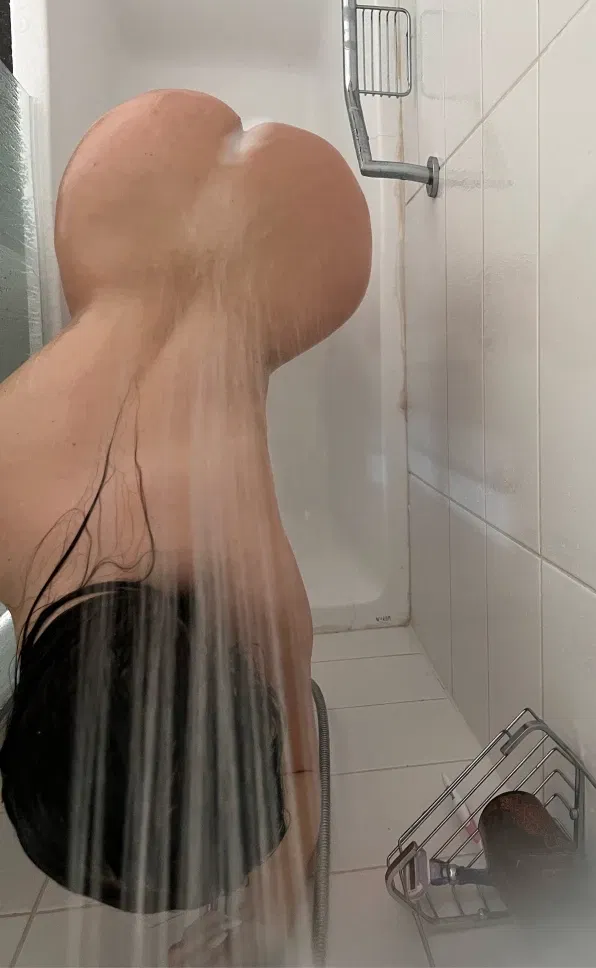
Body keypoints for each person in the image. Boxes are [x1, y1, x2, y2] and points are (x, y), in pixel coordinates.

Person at [0, 89, 372, 962]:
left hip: (303, 241)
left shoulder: (257, 590)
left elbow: (300, 771)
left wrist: (252, 927)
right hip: (124, 189)